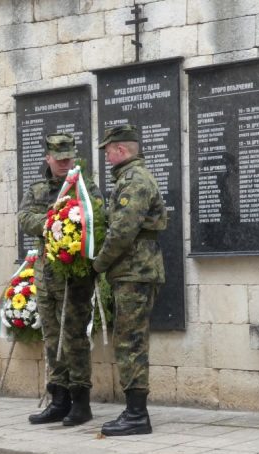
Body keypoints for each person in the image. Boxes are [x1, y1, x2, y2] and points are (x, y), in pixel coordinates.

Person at [20, 133, 103, 427]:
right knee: (52, 337)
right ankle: (59, 400)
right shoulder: (38, 189)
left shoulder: (85, 186)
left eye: (68, 158)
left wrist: (70, 223)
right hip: (46, 276)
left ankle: (81, 402)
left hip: (74, 277)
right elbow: (24, 218)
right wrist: (52, 222)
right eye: (59, 159)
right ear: (48, 158)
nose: (64, 163)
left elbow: (97, 218)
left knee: (74, 338)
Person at [92, 124, 167, 436]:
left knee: (131, 342)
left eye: (108, 151)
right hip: (132, 270)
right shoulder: (129, 177)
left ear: (120, 149)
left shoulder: (134, 180)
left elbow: (122, 231)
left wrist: (98, 263)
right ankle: (134, 411)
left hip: (135, 271)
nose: (106, 156)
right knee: (129, 340)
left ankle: (137, 415)